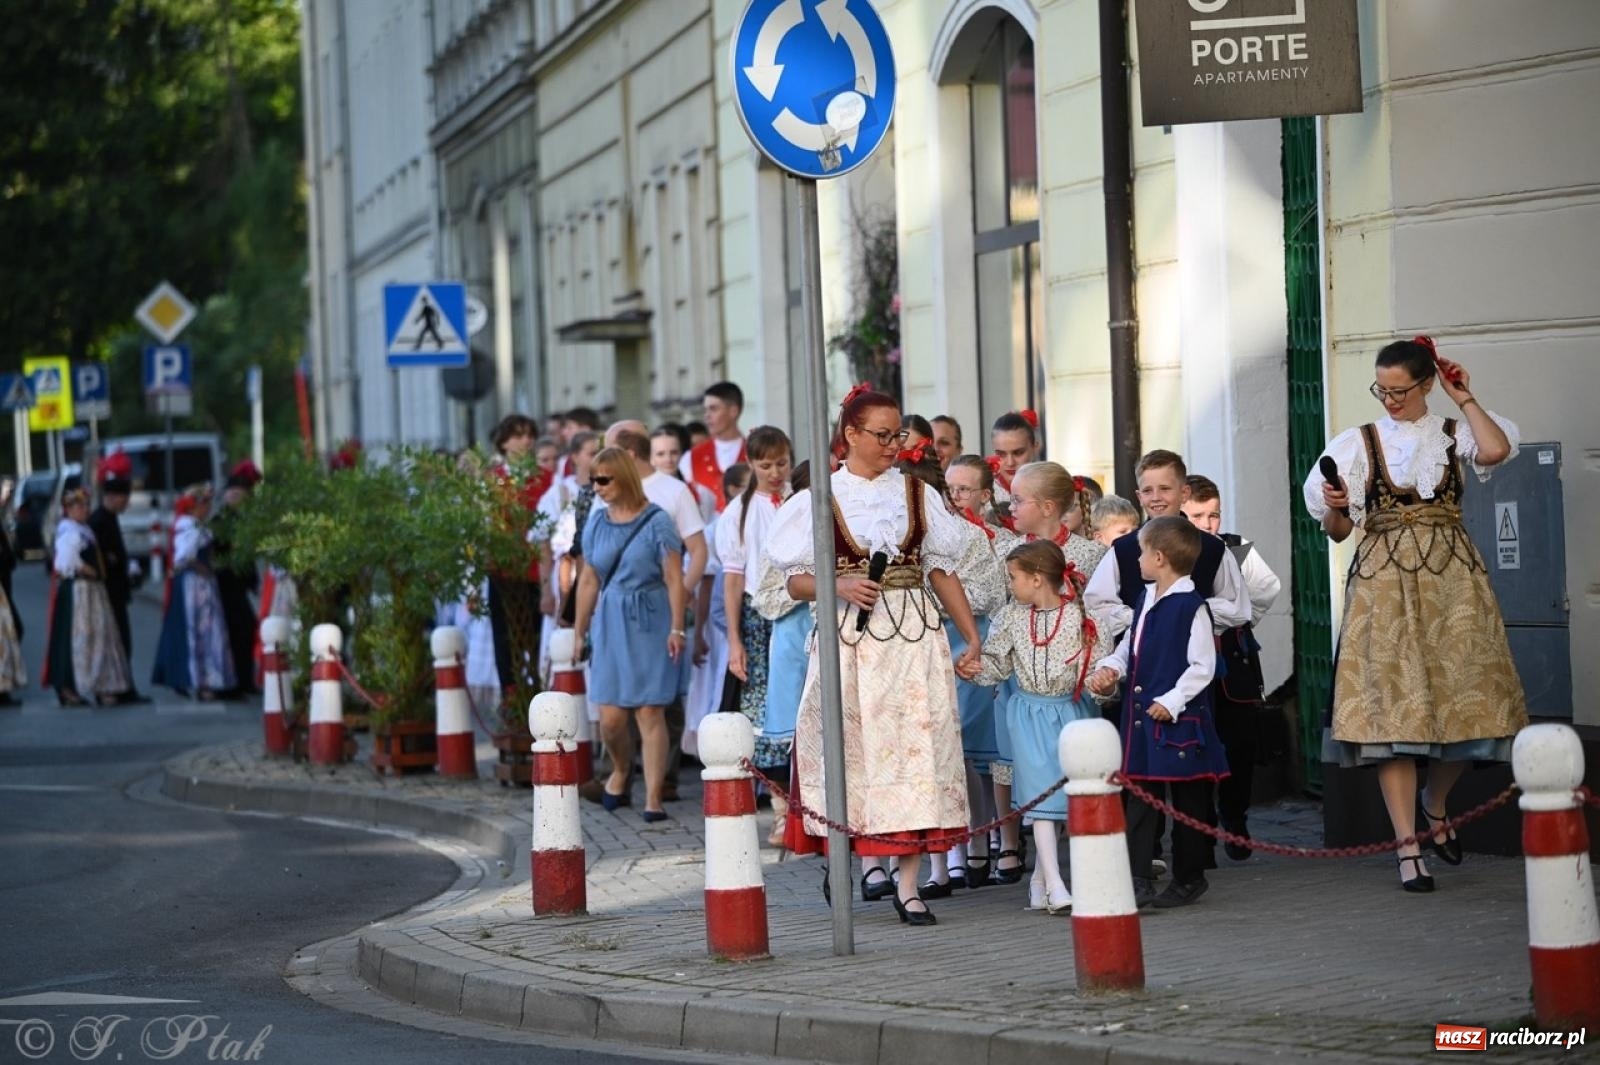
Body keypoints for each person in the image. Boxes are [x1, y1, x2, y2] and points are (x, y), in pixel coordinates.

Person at [1306, 335, 1526, 893]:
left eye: (1400, 390)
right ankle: (1408, 847)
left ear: (1427, 383)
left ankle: (1436, 802)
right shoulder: (1357, 443)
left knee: (1469, 695)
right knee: (1392, 712)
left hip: (1453, 581)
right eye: (1382, 389)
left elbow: (1495, 451)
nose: (1390, 400)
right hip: (1382, 584)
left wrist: (1464, 396)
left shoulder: (1451, 432)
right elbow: (1338, 532)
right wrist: (1336, 508)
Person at [765, 386, 982, 927]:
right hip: (850, 641)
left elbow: (940, 570)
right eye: (882, 435)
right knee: (854, 752)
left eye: (897, 435)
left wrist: (970, 637)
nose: (892, 445)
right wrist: (837, 585)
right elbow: (791, 582)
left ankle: (908, 885)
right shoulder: (819, 497)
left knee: (916, 752)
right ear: (851, 435)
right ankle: (849, 858)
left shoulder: (916, 492)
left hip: (913, 640)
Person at [962, 540, 1112, 913]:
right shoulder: (1012, 618)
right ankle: (1057, 885)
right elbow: (998, 665)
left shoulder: (1083, 618)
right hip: (1028, 715)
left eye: (1013, 577)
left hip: (1072, 715)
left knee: (1064, 797)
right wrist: (972, 668)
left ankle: (1040, 881)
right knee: (1042, 799)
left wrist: (1103, 684)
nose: (1009, 584)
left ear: (1037, 578)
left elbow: (1095, 674)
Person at [1088, 517, 1229, 909]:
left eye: (1142, 553)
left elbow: (1202, 665)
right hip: (1141, 721)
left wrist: (1173, 700)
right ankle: (1137, 878)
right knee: (1140, 798)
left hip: (1179, 721)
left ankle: (1190, 876)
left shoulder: (1191, 606)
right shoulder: (1145, 598)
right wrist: (1111, 667)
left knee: (1188, 800)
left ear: (1160, 558)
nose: (1137, 560)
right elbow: (1131, 646)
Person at [988, 461, 1108, 883]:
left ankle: (1058, 867)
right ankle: (1017, 849)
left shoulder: (1090, 554)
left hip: (1070, 686)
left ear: (1047, 506)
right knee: (1023, 766)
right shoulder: (1005, 551)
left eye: (1018, 500)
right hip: (1021, 681)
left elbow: (1099, 616)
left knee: (1067, 769)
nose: (1010, 506)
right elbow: (999, 606)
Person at [571, 447, 686, 822]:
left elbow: (674, 578)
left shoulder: (658, 521)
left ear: (624, 478)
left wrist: (677, 627)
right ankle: (621, 770)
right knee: (611, 718)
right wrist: (579, 631)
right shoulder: (597, 522)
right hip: (610, 619)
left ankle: (653, 798)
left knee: (650, 710)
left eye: (604, 479)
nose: (597, 487)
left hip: (651, 618)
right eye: (593, 480)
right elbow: (588, 580)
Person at [1181, 475, 1282, 858]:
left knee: (1239, 746)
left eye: (1214, 515)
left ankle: (1235, 818)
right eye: (1197, 516)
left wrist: (1236, 620)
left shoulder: (1235, 547)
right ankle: (1202, 831)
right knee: (1195, 747)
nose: (1207, 524)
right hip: (1188, 668)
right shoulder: (1173, 549)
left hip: (1233, 666)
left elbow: (1266, 589)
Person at [1084, 450, 1251, 643]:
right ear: (1139, 496)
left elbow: (1236, 606)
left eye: (1165, 489)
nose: (1156, 497)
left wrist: (1187, 613)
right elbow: (1097, 604)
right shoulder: (1123, 549)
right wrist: (1139, 616)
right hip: (1138, 651)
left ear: (1184, 493)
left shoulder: (1213, 548)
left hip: (1195, 649)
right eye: (1148, 491)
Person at [719, 427, 796, 836]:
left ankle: (802, 806)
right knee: (764, 709)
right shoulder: (739, 513)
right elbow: (733, 580)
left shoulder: (799, 500)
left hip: (798, 610)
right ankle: (780, 809)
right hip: (758, 617)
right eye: (765, 465)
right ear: (750, 464)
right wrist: (734, 640)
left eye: (781, 463)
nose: (775, 473)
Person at [44, 489, 131, 706]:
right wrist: (86, 569)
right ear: (68, 509)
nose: (85, 510)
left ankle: (101, 684)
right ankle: (68, 687)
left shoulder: (84, 530)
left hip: (92, 591)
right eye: (79, 506)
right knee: (76, 638)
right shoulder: (69, 532)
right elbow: (64, 562)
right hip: (79, 591)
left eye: (86, 506)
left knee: (98, 638)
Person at [152, 486, 237, 700]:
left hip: (203, 584)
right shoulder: (188, 527)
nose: (207, 508)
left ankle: (208, 680)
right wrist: (204, 569)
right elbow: (183, 558)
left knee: (207, 631)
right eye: (204, 503)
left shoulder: (197, 526)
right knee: (200, 631)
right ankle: (202, 681)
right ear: (193, 506)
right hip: (194, 586)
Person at [486, 414, 544, 706]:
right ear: (504, 443)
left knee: (536, 631)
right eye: (518, 436)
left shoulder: (545, 478)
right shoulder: (492, 480)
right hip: (503, 569)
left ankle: (537, 688)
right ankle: (511, 694)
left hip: (536, 569)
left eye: (530, 435)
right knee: (505, 633)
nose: (526, 442)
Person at [88, 451, 150, 704]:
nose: (126, 504)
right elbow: (100, 556)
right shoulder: (98, 521)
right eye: (124, 499)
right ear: (113, 497)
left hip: (117, 589)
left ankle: (123, 686)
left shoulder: (110, 518)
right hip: (107, 591)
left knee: (122, 641)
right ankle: (114, 688)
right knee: (114, 641)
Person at [214, 461, 263, 698]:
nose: (235, 497)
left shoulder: (243, 520)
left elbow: (248, 556)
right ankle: (234, 682)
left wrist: (253, 581)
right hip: (224, 585)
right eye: (232, 493)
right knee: (235, 632)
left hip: (238, 585)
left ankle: (243, 680)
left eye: (240, 494)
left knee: (245, 630)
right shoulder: (221, 521)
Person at [680, 382, 747, 511]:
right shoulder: (690, 458)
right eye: (705, 410)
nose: (707, 415)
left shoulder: (755, 453)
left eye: (713, 409)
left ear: (733, 411)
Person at [652, 426, 717, 523]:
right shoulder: (641, 493)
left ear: (681, 454)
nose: (668, 459)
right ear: (650, 458)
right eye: (660, 454)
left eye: (674, 452)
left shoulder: (702, 493)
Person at [989, 409, 1041, 517]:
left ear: (1035, 448)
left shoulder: (1051, 489)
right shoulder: (982, 494)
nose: (1010, 462)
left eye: (1018, 453)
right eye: (1001, 454)